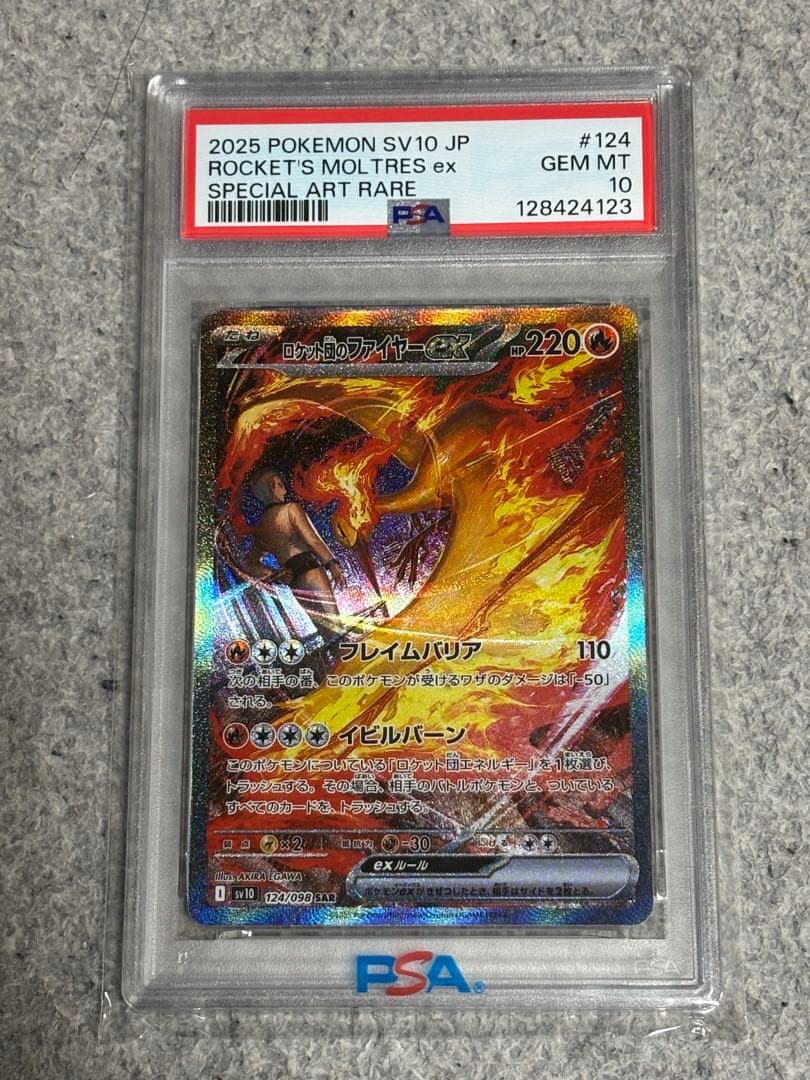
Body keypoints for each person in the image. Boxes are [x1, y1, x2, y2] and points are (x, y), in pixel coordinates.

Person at [240, 468, 346, 640]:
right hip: (311, 571)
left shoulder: (260, 528)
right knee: (335, 625)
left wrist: (274, 574)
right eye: (280, 485)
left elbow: (249, 564)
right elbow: (313, 540)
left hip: (294, 581)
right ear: (272, 487)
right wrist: (332, 563)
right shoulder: (291, 509)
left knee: (325, 631)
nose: (285, 490)